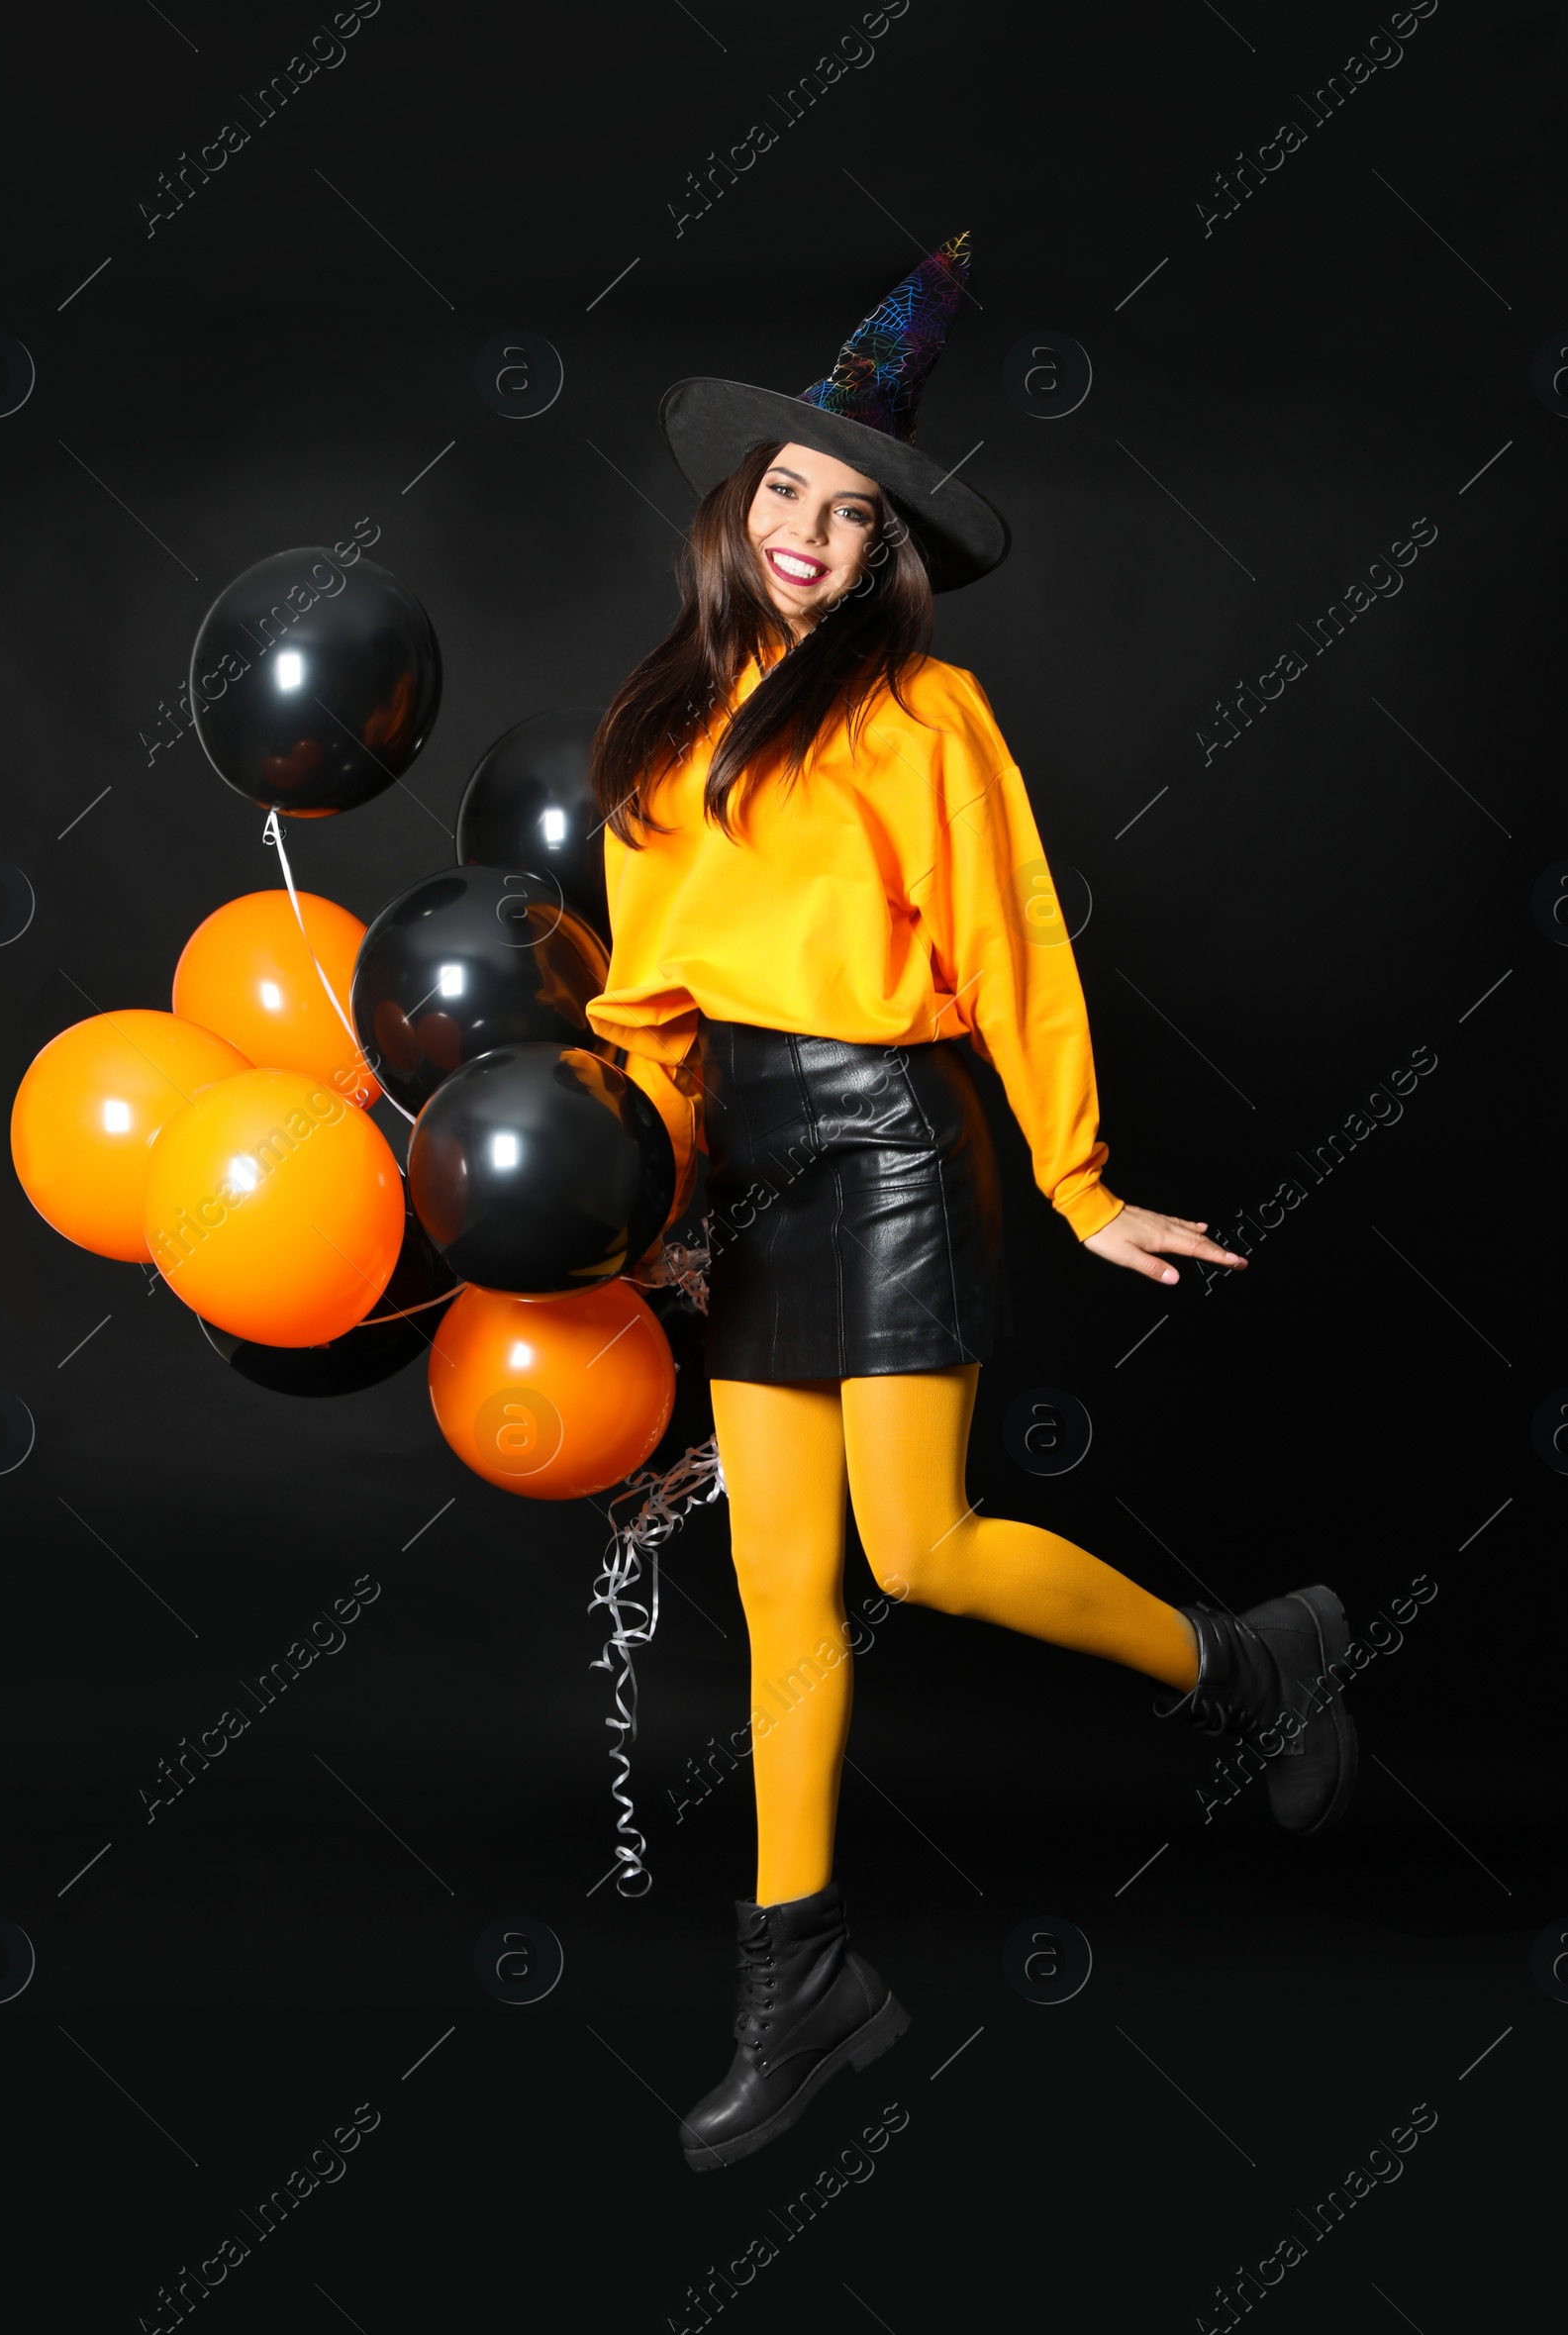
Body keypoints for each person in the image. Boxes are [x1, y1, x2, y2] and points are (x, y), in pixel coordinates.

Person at [584, 234, 1358, 2175]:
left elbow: (1012, 946)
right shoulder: (659, 735)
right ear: (734, 503)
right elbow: (645, 1006)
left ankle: (1248, 1659)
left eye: (849, 512)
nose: (806, 533)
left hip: (896, 1145)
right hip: (747, 1166)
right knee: (778, 1594)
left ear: (882, 550)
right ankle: (800, 1988)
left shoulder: (925, 720)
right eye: (784, 491)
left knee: (911, 1550)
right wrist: (638, 1201)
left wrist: (1079, 1181)